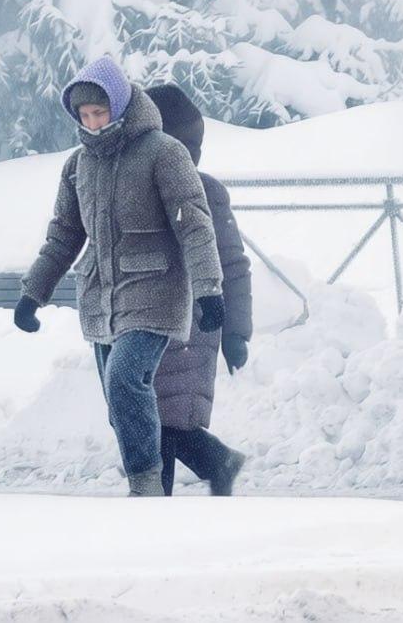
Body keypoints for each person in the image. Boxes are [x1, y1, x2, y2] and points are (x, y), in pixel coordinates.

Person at [14, 57, 225, 497]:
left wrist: (209, 288)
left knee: (124, 380)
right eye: (85, 116)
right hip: (101, 298)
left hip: (156, 293)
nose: (93, 123)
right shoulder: (77, 166)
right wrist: (33, 293)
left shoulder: (163, 153)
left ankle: (146, 488)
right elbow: (65, 234)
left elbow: (194, 223)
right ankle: (151, 484)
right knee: (120, 404)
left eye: (100, 112)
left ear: (122, 105)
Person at [145, 85, 251, 496]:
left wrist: (236, 332)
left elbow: (233, 265)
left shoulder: (206, 192)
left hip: (192, 323)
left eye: (197, 146)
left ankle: (157, 508)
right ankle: (216, 462)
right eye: (184, 145)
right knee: (155, 419)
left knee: (157, 421)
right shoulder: (138, 188)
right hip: (146, 319)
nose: (193, 156)